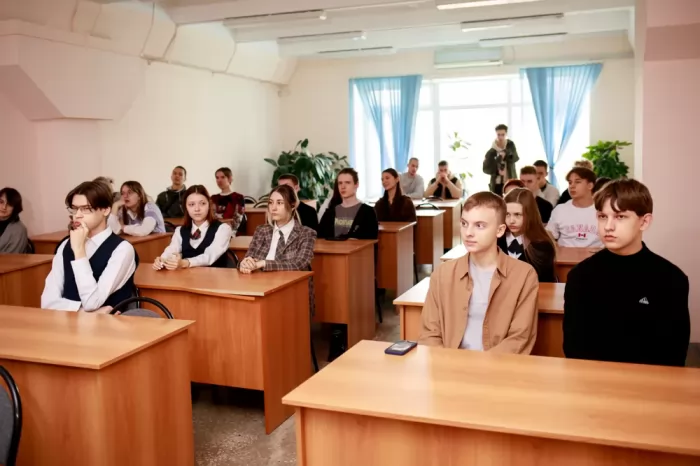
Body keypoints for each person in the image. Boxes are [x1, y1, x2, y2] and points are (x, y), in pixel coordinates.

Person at [564, 179, 690, 367]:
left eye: (620, 217)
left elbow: (674, 353)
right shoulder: (580, 276)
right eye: (602, 216)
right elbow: (574, 347)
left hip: (651, 380)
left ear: (644, 222)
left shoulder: (671, 279)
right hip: (593, 378)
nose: (608, 226)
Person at [419, 191, 539, 353]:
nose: (468, 233)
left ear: (500, 230)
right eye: (464, 223)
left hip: (498, 366)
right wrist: (448, 363)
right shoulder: (443, 274)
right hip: (449, 364)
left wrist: (481, 366)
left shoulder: (524, 275)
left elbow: (519, 338)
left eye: (479, 225)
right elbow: (430, 333)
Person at [41, 181, 138, 312]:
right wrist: (84, 312)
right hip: (66, 322)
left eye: (86, 209)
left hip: (109, 324)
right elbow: (47, 302)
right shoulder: (65, 245)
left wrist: (79, 251)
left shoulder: (122, 249)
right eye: (74, 208)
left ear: (105, 210)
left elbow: (92, 302)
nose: (77, 215)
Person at [240, 184, 317, 314]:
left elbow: (299, 264)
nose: (273, 208)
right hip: (261, 289)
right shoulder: (261, 230)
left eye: (280, 203)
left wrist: (264, 263)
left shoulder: (306, 233)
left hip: (292, 293)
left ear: (293, 205)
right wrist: (245, 263)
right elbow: (250, 257)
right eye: (271, 202)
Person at [154, 185, 233, 270]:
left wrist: (185, 262)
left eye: (202, 203)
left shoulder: (223, 229)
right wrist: (162, 260)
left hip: (216, 276)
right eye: (191, 204)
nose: (197, 209)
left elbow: (209, 256)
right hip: (187, 277)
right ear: (186, 207)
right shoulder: (180, 230)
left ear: (209, 205)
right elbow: (172, 250)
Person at [499, 188, 556, 282]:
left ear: (530, 214)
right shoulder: (496, 241)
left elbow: (543, 280)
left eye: (517, 214)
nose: (511, 220)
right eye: (507, 214)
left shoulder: (543, 245)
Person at [546, 167, 603, 248]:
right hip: (566, 254)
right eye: (570, 183)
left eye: (577, 182)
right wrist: (551, 242)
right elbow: (550, 233)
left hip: (596, 254)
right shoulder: (560, 209)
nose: (572, 186)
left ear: (590, 185)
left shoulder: (603, 209)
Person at [318, 168, 379, 240]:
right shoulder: (330, 212)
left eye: (347, 182)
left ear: (356, 185)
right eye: (340, 183)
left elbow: (371, 239)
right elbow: (320, 238)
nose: (343, 187)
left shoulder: (368, 212)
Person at [483, 124, 519, 195]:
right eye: (498, 135)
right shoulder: (491, 151)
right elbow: (486, 169)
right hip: (497, 183)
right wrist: (496, 168)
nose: (500, 137)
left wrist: (506, 154)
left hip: (510, 180)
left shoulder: (510, 145)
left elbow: (515, 158)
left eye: (503, 134)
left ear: (506, 134)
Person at [210, 167, 245, 234]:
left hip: (231, 233)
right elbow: (211, 219)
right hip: (214, 232)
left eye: (223, 177)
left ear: (230, 178)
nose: (219, 180)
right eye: (217, 178)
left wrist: (218, 221)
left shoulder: (238, 197)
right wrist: (225, 221)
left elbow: (236, 222)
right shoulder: (213, 198)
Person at [0, 187, 29, 254]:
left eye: (9, 204)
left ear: (15, 208)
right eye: (1, 202)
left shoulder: (19, 230)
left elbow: (12, 257)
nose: (4, 207)